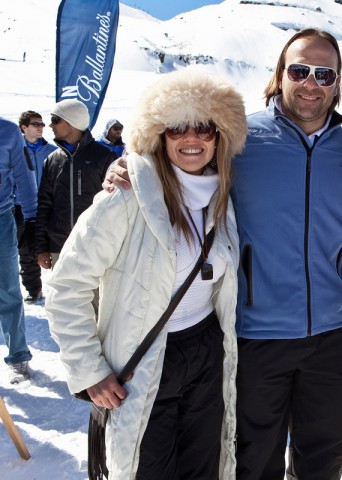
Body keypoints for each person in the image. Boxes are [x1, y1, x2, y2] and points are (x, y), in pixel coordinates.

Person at [103, 29, 342, 479]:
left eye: (323, 74)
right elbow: (181, 162)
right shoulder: (240, 140)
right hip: (255, 332)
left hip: (330, 333)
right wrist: (130, 164)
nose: (311, 82)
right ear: (280, 75)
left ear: (338, 81)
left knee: (325, 454)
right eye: (300, 70)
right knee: (253, 456)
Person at [45, 69, 247, 479]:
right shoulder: (126, 195)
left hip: (206, 351)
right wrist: (90, 371)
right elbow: (67, 285)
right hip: (146, 359)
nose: (191, 138)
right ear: (159, 134)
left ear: (219, 135)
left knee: (203, 468)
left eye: (203, 127)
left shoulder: (222, 196)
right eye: (176, 127)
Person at [35, 99, 117, 272]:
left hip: (96, 246)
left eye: (55, 120)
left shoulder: (104, 156)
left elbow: (116, 205)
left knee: (98, 299)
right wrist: (41, 247)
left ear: (72, 122)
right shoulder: (52, 160)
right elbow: (44, 205)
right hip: (60, 247)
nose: (50, 125)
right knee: (62, 299)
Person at [0, 117, 37, 384]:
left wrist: (34, 219)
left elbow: (24, 177)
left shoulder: (9, 131)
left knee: (8, 289)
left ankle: (18, 356)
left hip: (1, 219)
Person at [16, 110, 56, 303]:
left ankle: (62, 288)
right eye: (36, 124)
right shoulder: (14, 150)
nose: (41, 127)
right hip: (21, 207)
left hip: (47, 205)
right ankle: (34, 289)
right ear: (24, 127)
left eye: (42, 124)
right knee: (26, 249)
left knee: (55, 245)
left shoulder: (51, 151)